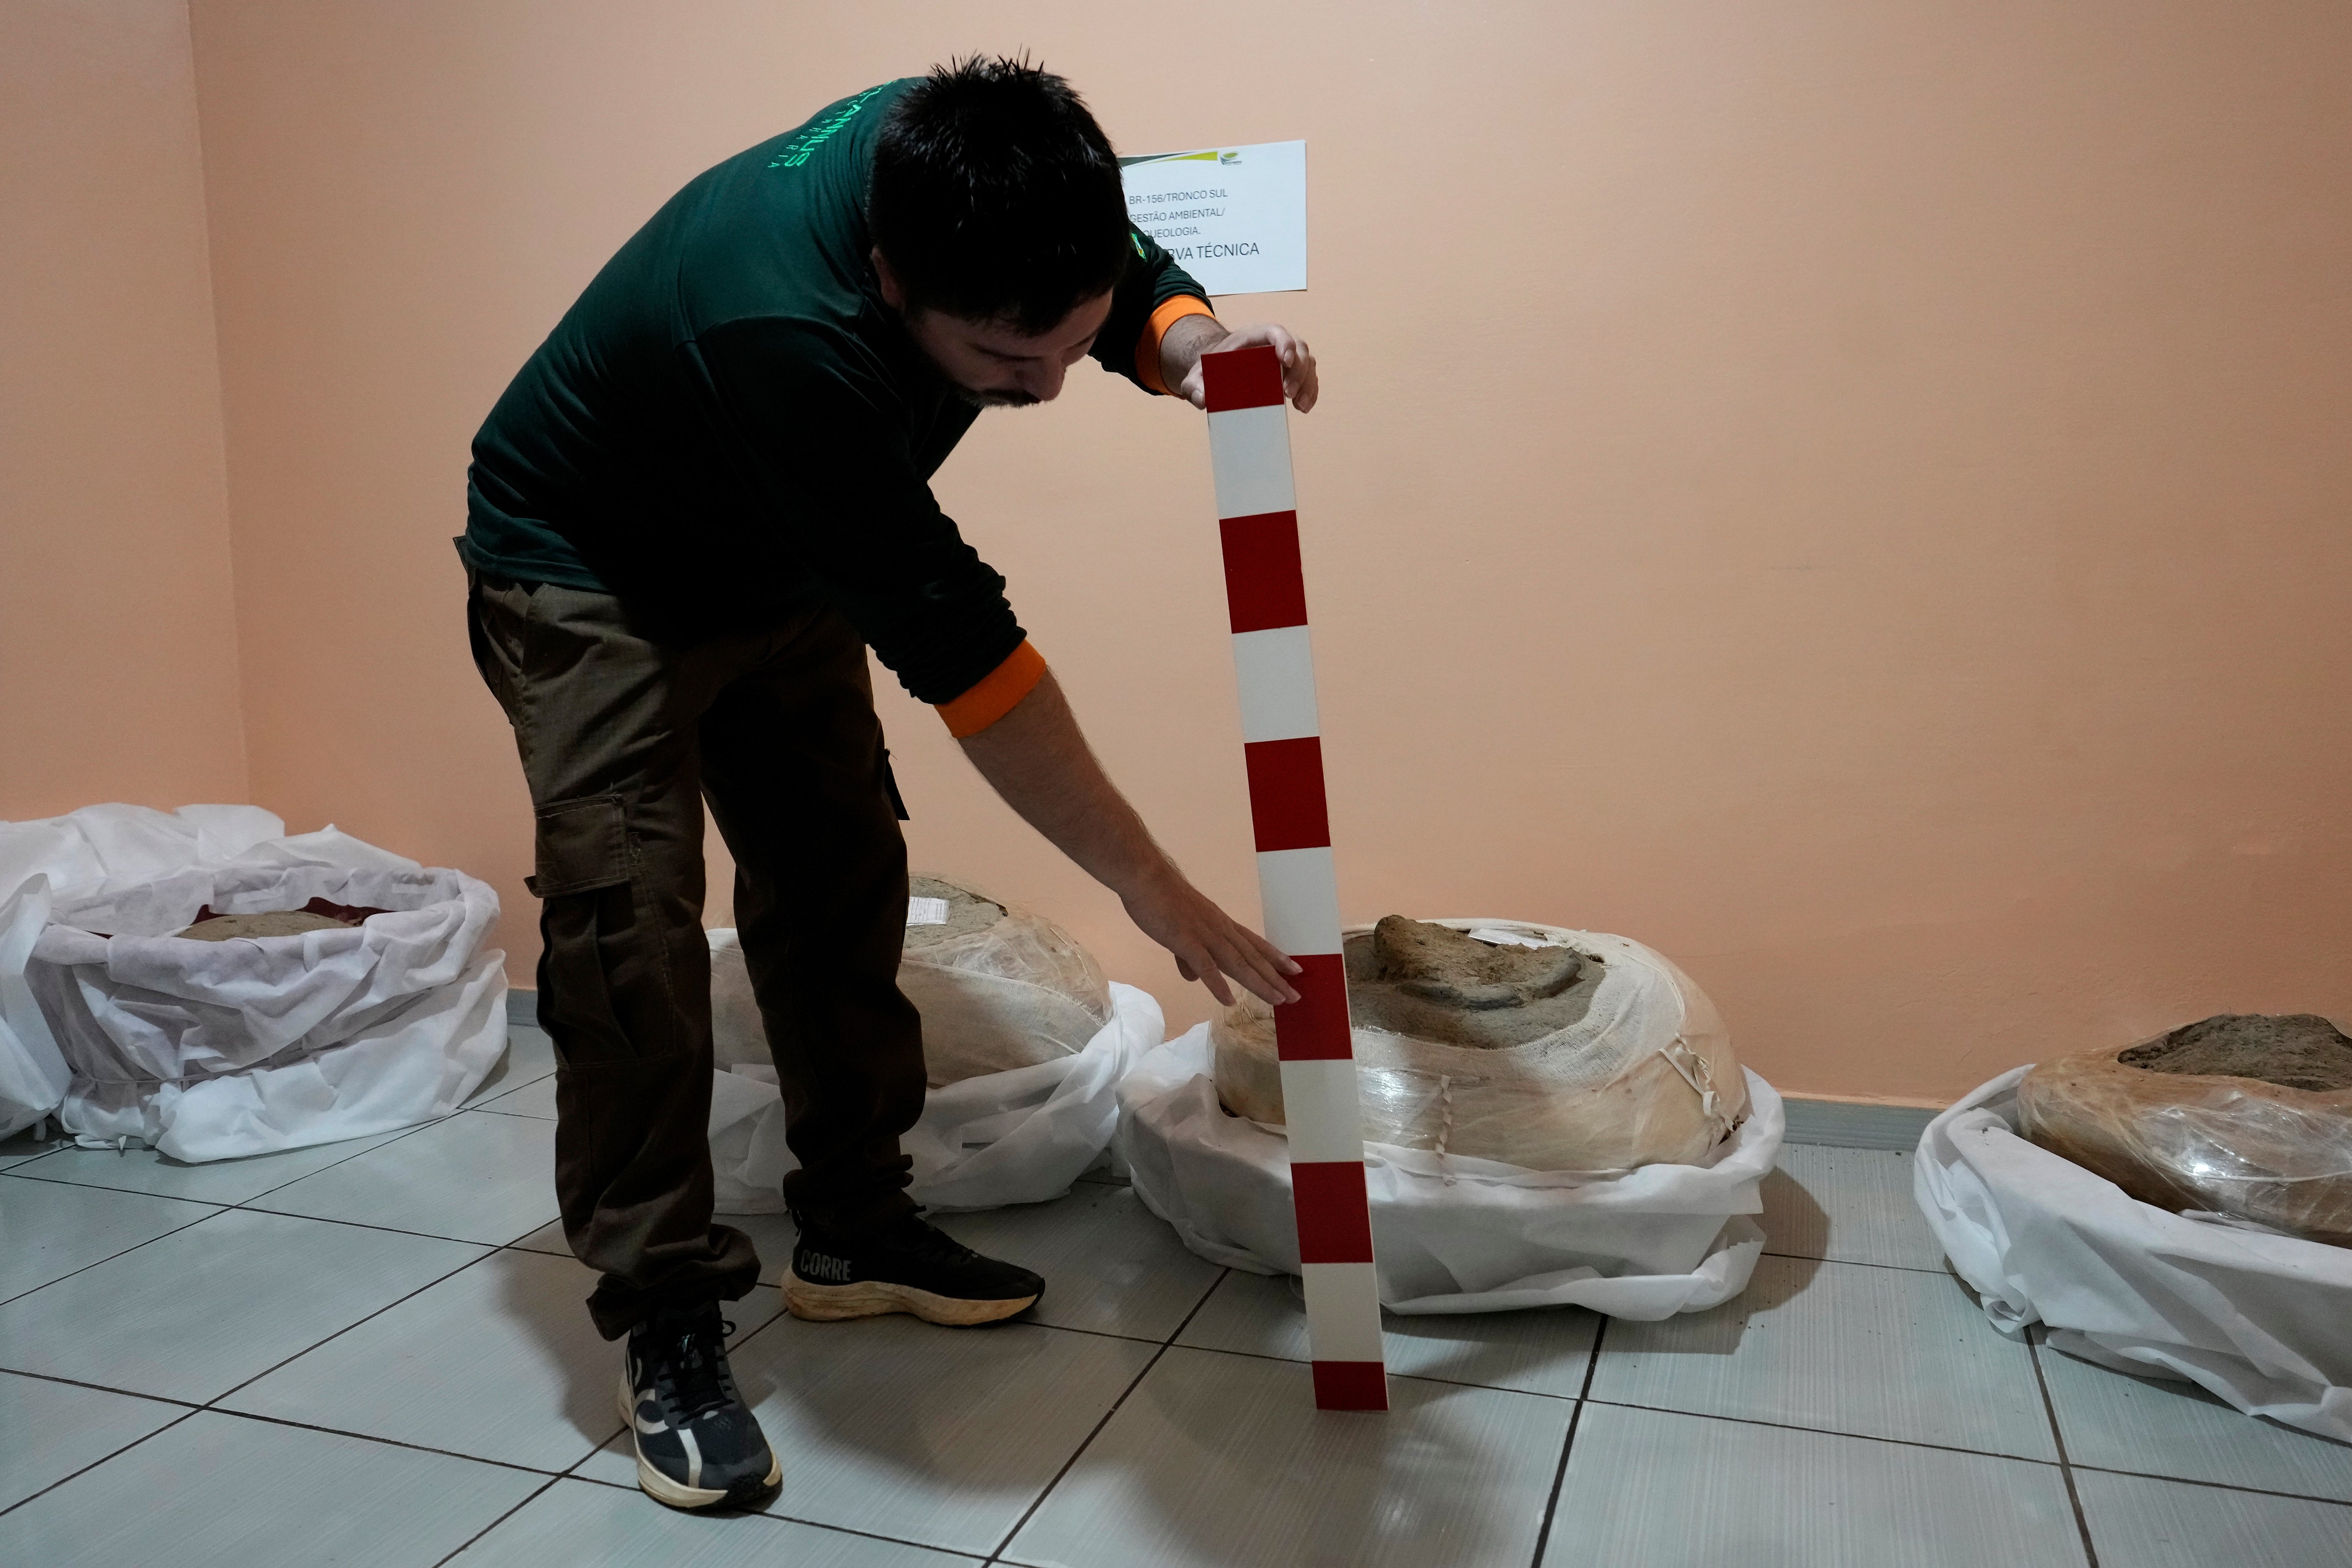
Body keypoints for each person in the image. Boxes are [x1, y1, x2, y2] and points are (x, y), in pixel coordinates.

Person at [457, 57, 1316, 1510]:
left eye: (1073, 345)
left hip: (781, 554)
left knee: (842, 872)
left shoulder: (987, 163)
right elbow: (965, 649)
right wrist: (1151, 882)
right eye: (1001, 361)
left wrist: (1180, 339)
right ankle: (666, 1314)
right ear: (886, 278)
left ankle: (854, 1227)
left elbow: (1118, 254)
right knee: (631, 935)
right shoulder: (780, 329)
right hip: (594, 572)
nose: (1045, 387)